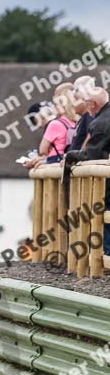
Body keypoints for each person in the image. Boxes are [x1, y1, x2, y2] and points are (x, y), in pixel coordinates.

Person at [65, 85, 110, 265]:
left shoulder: (100, 123)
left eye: (85, 101)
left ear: (92, 104)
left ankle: (104, 259)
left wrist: (70, 156)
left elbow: (92, 154)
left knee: (104, 217)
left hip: (105, 180)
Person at [23, 87, 77, 168]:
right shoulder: (73, 121)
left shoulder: (55, 124)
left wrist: (40, 160)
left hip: (56, 164)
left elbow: (42, 151)